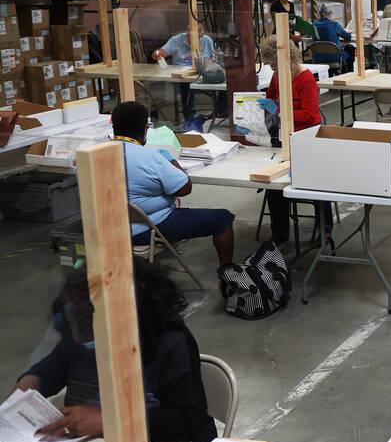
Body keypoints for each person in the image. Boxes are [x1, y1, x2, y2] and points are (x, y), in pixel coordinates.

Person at [14, 259, 218, 442]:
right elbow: (48, 371)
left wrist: (108, 421)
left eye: (89, 315)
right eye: (75, 312)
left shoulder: (170, 341)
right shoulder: (78, 330)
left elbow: (188, 419)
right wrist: (30, 383)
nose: (81, 326)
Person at [110, 101, 234, 267]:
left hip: (106, 227)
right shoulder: (150, 157)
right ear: (146, 129)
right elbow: (185, 188)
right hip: (147, 228)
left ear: (114, 126)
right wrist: (170, 160)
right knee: (223, 218)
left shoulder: (92, 154)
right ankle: (227, 274)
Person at [259, 35, 332, 246]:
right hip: (285, 136)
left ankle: (325, 229)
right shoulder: (276, 76)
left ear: (286, 59)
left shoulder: (305, 78)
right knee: (274, 186)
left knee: (317, 182)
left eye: (273, 64)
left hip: (308, 135)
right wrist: (256, 104)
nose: (271, 69)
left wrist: (279, 112)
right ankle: (280, 231)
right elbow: (270, 99)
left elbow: (309, 115)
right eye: (269, 65)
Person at [152, 29, 216, 122]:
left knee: (223, 80)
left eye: (196, 37)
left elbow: (214, 58)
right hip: (183, 74)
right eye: (189, 36)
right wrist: (158, 54)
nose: (191, 39)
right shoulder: (176, 40)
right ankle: (189, 115)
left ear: (201, 36)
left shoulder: (207, 40)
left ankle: (221, 112)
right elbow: (164, 51)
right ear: (187, 33)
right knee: (187, 84)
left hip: (203, 73)